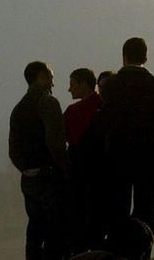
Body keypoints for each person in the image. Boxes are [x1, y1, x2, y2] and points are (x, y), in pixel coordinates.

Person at [102, 37, 154, 233]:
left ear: (124, 57)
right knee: (145, 210)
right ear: (145, 57)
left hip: (118, 156)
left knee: (118, 209)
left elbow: (106, 119)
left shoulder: (111, 85)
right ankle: (143, 248)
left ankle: (120, 250)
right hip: (147, 156)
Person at [9, 61, 69, 260]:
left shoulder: (18, 109)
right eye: (51, 77)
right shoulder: (48, 103)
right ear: (41, 77)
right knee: (55, 229)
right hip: (49, 176)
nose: (53, 82)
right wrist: (64, 168)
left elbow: (13, 151)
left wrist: (27, 169)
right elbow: (56, 143)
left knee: (35, 228)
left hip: (29, 179)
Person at [64, 68, 104, 252]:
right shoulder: (104, 105)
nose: (69, 89)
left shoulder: (72, 112)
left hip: (78, 172)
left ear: (83, 84)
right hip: (102, 170)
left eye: (72, 84)